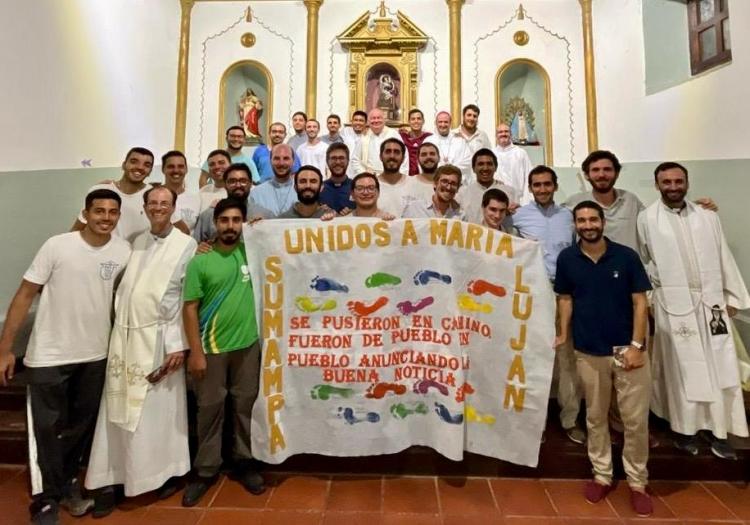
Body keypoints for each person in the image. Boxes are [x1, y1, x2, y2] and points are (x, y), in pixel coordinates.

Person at [0, 189, 131, 524]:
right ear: (85, 213)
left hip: (95, 354)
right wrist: (5, 349)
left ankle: (69, 485)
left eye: (112, 212)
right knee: (45, 428)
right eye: (98, 211)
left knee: (79, 427)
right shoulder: (58, 245)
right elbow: (24, 294)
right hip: (48, 355)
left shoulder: (123, 251)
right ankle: (45, 499)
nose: (105, 217)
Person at [85, 186, 197, 514]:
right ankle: (112, 477)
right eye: (153, 203)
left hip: (161, 343)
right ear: (145, 207)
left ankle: (161, 474)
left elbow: (183, 299)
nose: (158, 207)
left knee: (157, 417)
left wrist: (179, 345)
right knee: (115, 411)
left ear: (174, 207)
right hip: (125, 340)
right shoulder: (135, 242)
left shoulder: (186, 245)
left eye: (165, 203)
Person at [637, 162, 750, 460]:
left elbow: (722, 253)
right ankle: (684, 429)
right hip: (673, 305)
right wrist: (649, 299)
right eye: (666, 182)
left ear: (687, 182)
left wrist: (732, 295)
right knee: (681, 368)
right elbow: (644, 261)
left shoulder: (707, 216)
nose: (673, 187)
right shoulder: (647, 218)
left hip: (711, 304)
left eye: (678, 181)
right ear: (656, 184)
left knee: (719, 366)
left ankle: (720, 430)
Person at [555, 200, 653, 517]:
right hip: (588, 350)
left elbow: (640, 303)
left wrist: (638, 344)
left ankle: (638, 482)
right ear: (575, 225)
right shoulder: (567, 258)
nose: (587, 225)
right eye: (581, 220)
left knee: (634, 420)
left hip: (627, 350)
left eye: (592, 219)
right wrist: (563, 334)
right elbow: (566, 299)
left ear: (602, 222)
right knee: (595, 417)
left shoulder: (626, 257)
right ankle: (602, 475)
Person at [182, 198, 265, 506]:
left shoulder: (252, 254)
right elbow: (190, 309)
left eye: (236, 220)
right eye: (224, 220)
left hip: (248, 347)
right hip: (212, 348)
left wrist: (263, 231)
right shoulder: (200, 260)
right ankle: (205, 469)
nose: (230, 226)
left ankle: (244, 461)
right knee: (210, 408)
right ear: (215, 223)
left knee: (245, 406)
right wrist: (196, 352)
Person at [513, 165, 585, 444]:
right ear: (530, 188)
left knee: (567, 358)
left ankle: (569, 418)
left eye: (547, 184)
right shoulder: (518, 216)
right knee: (532, 358)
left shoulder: (569, 216)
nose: (542, 189)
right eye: (537, 185)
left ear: (555, 186)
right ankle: (535, 422)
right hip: (533, 292)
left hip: (565, 293)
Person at [72, 147, 153, 243]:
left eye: (146, 165)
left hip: (138, 255)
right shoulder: (101, 190)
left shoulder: (153, 196)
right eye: (134, 161)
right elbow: (78, 228)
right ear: (123, 165)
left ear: (150, 171)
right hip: (104, 254)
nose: (140, 167)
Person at [193, 163, 272, 242]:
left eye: (243, 181)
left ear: (251, 183)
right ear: (225, 184)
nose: (238, 185)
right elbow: (196, 247)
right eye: (232, 181)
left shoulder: (265, 215)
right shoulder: (209, 215)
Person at [455, 148, 517, 224]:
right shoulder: (462, 193)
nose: (485, 168)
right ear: (474, 168)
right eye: (481, 164)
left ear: (496, 167)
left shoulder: (509, 192)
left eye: (489, 164)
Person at [351, 108, 409, 176]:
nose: (376, 121)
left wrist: (400, 176)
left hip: (391, 177)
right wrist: (364, 174)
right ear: (368, 122)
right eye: (373, 118)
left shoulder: (394, 134)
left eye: (379, 118)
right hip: (369, 179)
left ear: (384, 120)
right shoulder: (364, 136)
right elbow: (355, 159)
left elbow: (404, 156)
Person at [250, 143, 298, 216]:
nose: (281, 163)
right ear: (270, 161)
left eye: (286, 158)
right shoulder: (256, 194)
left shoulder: (302, 192)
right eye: (276, 158)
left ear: (294, 162)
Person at [424, 111, 472, 180]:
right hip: (435, 181)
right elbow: (423, 162)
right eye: (440, 122)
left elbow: (467, 161)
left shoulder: (460, 141)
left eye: (446, 122)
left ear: (450, 123)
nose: (443, 125)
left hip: (458, 183)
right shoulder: (429, 141)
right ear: (435, 123)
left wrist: (451, 170)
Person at [493, 123, 533, 205]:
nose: (503, 134)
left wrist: (526, 202)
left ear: (511, 134)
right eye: (500, 132)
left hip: (518, 201)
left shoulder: (520, 153)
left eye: (506, 131)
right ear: (496, 135)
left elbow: (529, 177)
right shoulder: (491, 154)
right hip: (496, 201)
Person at [162, 150, 201, 233]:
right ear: (163, 169)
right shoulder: (152, 197)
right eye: (171, 166)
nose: (176, 170)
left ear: (186, 169)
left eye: (180, 166)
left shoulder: (196, 199)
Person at [375, 138, 411, 218]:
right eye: (388, 152)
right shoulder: (371, 186)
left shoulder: (413, 184)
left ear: (403, 158)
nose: (392, 156)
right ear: (380, 156)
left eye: (397, 152)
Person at [319, 143, 355, 214]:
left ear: (348, 161)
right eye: (333, 158)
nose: (338, 162)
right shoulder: (319, 189)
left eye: (341, 158)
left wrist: (353, 213)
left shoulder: (356, 187)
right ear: (327, 161)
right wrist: (319, 211)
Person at [398, 108, 432, 176]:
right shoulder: (402, 137)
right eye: (413, 119)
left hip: (425, 175)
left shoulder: (429, 137)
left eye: (419, 118)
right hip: (405, 176)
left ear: (423, 121)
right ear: (409, 122)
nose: (416, 121)